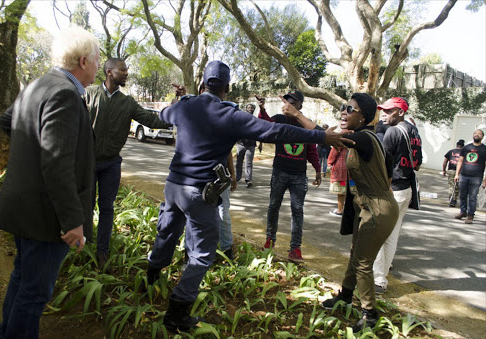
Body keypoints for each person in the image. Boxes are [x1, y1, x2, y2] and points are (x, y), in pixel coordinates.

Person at [145, 60, 352, 333]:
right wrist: (320, 136)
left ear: (202, 84)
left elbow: (162, 114)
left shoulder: (184, 106)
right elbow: (276, 131)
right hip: (198, 194)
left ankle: (150, 278)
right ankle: (177, 312)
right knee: (203, 254)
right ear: (228, 88)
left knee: (167, 234)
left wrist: (182, 98)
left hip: (173, 187)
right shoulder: (231, 115)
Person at [0, 26, 100, 339]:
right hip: (45, 216)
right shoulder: (65, 94)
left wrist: (30, 156)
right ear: (83, 61)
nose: (98, 66)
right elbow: (56, 163)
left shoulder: (38, 85)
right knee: (34, 293)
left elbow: (6, 121)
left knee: (22, 280)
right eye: (97, 60)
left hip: (25, 208)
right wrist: (73, 221)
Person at [282, 93, 398, 333]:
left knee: (364, 263)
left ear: (363, 116)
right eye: (343, 108)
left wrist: (296, 114)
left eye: (349, 109)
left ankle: (369, 313)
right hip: (367, 205)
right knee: (356, 253)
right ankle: (345, 295)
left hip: (377, 208)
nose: (343, 113)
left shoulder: (364, 138)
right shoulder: (365, 139)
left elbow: (323, 136)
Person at [85, 58, 171, 268]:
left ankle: (101, 252)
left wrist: (176, 108)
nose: (126, 73)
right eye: (122, 70)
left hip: (111, 165)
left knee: (106, 208)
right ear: (108, 71)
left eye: (126, 70)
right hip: (86, 163)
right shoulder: (88, 95)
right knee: (85, 208)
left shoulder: (128, 102)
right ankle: (85, 247)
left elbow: (153, 121)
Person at [258, 91, 322, 263]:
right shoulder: (280, 119)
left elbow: (311, 150)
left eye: (292, 102)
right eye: (286, 101)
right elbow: (265, 125)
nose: (287, 104)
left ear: (300, 105)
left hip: (299, 176)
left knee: (297, 211)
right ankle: (270, 240)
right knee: (273, 206)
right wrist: (262, 108)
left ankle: (295, 248)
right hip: (280, 171)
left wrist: (317, 169)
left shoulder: (305, 125)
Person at [373, 97, 422, 294]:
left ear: (400, 112)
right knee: (392, 236)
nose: (384, 114)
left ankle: (377, 280)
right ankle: (381, 279)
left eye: (389, 111)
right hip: (406, 190)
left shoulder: (393, 131)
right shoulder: (414, 132)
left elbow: (382, 163)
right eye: (383, 110)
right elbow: (418, 163)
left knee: (377, 235)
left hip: (392, 189)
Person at [454, 129, 486, 224]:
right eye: (475, 133)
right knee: (462, 195)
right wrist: (457, 174)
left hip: (476, 177)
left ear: (482, 137)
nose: (477, 135)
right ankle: (463, 212)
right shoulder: (466, 148)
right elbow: (460, 161)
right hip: (464, 175)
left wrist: (485, 180)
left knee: (472, 197)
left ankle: (470, 215)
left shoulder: (484, 149)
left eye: (479, 134)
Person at [235, 103, 259, 188]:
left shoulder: (255, 120)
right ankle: (237, 178)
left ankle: (248, 180)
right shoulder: (242, 119)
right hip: (241, 144)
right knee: (239, 162)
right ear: (246, 109)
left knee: (249, 163)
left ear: (254, 109)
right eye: (248, 107)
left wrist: (261, 143)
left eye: (252, 108)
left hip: (251, 145)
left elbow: (259, 132)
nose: (250, 109)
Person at [443, 139, 465, 207]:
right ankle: (454, 199)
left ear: (457, 145)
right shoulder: (464, 153)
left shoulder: (451, 151)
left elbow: (445, 162)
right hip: (460, 171)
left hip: (451, 170)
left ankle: (451, 199)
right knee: (457, 186)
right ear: (463, 146)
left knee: (451, 185)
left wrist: (444, 170)